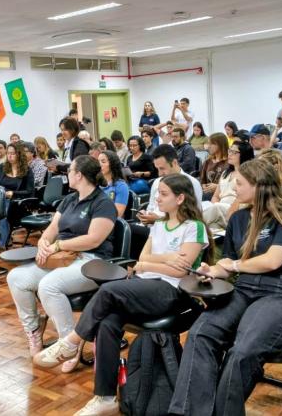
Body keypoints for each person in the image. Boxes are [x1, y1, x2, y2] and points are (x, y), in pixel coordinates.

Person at [33, 173, 211, 415]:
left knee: (108, 290)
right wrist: (164, 259)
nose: (157, 198)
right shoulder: (158, 225)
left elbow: (179, 271)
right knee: (108, 321)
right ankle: (105, 397)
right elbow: (141, 260)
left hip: (172, 291)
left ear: (180, 198)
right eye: (158, 193)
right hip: (145, 285)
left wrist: (149, 264)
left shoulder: (194, 227)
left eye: (163, 194)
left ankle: (72, 342)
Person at [170, 159, 282, 416]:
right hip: (244, 289)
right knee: (200, 333)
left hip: (281, 292)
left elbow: (272, 261)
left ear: (259, 186)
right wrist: (212, 271)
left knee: (243, 351)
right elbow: (229, 264)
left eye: (240, 183)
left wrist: (233, 266)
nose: (234, 188)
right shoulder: (238, 218)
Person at [6, 155, 117, 371]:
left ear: (79, 175)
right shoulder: (69, 200)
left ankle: (68, 345)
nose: (67, 174)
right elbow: (52, 229)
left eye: (70, 171)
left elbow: (94, 240)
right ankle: (34, 329)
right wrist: (43, 243)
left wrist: (58, 245)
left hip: (91, 261)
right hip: (63, 257)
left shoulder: (103, 203)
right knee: (16, 277)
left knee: (49, 285)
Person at [138, 145, 203, 227]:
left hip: (176, 229)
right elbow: (151, 207)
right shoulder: (157, 182)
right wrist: (145, 216)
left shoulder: (192, 183)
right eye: (157, 169)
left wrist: (159, 220)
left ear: (174, 163)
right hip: (152, 228)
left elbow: (193, 217)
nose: (159, 174)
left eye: (162, 168)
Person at [203, 139, 254, 230]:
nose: (229, 154)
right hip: (219, 208)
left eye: (234, 152)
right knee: (211, 225)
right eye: (229, 151)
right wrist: (214, 205)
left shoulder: (248, 174)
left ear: (244, 154)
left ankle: (191, 225)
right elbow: (216, 196)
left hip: (236, 208)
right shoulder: (225, 173)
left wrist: (216, 207)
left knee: (216, 209)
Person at [0, 142, 35, 248]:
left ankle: (3, 243)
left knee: (4, 209)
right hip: (0, 199)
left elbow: (30, 192)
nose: (10, 156)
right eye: (8, 153)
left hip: (18, 203)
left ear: (19, 154)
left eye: (13, 153)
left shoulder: (27, 170)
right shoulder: (1, 168)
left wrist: (13, 194)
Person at [98, 150, 130, 218]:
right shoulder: (95, 183)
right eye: (98, 162)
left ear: (113, 164)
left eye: (103, 162)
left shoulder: (121, 186)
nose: (99, 165)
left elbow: (117, 214)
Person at [200, 133, 230, 201]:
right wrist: (204, 186)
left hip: (223, 194)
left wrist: (218, 187)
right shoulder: (207, 162)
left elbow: (232, 183)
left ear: (221, 145)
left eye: (212, 144)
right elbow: (202, 180)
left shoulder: (229, 162)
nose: (208, 147)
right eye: (208, 144)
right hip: (207, 193)